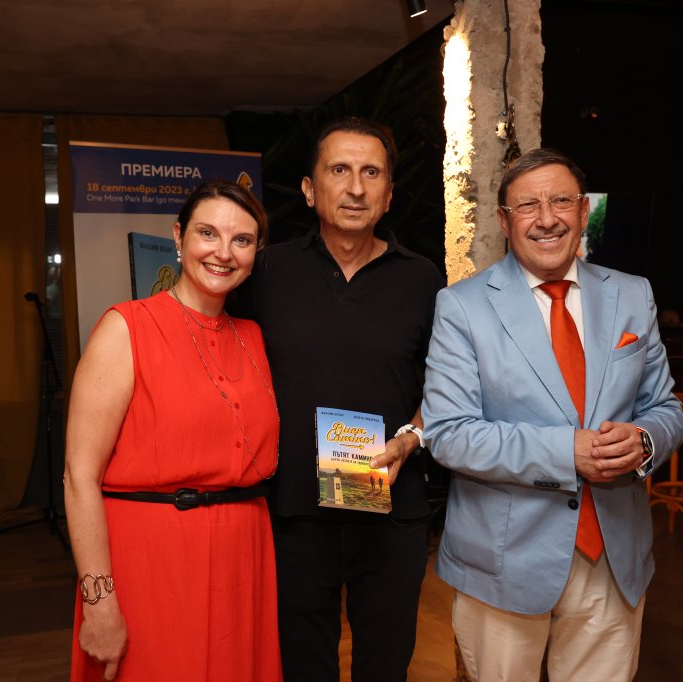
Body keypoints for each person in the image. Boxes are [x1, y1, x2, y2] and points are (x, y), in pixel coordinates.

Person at [422, 148, 683, 681]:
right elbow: (450, 433)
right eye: (528, 206)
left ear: (583, 210)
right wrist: (568, 452)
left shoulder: (633, 294)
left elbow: (666, 408)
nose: (547, 219)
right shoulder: (462, 306)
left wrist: (644, 439)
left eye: (561, 201)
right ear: (505, 221)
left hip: (612, 556)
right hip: (504, 560)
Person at [230, 117, 444, 681]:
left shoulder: (423, 279)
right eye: (340, 170)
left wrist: (411, 438)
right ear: (309, 189)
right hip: (293, 513)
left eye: (371, 173)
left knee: (385, 667)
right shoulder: (267, 270)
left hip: (392, 511)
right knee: (302, 667)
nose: (355, 188)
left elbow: (449, 385)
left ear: (389, 194)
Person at [64, 180, 282, 681]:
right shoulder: (126, 328)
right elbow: (79, 477)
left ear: (256, 252)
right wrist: (98, 600)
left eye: (242, 240)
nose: (223, 253)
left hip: (244, 558)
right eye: (208, 233)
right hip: (152, 561)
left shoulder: (252, 337)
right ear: (179, 237)